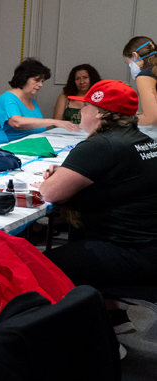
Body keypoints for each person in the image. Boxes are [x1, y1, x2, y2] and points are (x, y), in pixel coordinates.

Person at [39, 80, 157, 335]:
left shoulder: (100, 144)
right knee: (79, 233)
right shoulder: (142, 140)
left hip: (134, 253)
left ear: (101, 113)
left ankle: (89, 339)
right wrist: (72, 173)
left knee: (40, 266)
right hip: (147, 245)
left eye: (85, 106)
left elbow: (50, 192)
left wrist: (55, 179)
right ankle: (111, 316)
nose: (79, 111)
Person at [0, 58, 79, 149]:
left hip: (21, 150)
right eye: (37, 80)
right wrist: (55, 121)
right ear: (24, 78)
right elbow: (17, 122)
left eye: (42, 81)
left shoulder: (32, 102)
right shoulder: (7, 99)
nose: (40, 84)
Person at [123, 36, 157, 140]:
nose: (129, 66)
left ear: (135, 56)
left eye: (127, 62)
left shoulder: (145, 75)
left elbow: (152, 118)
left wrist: (122, 120)